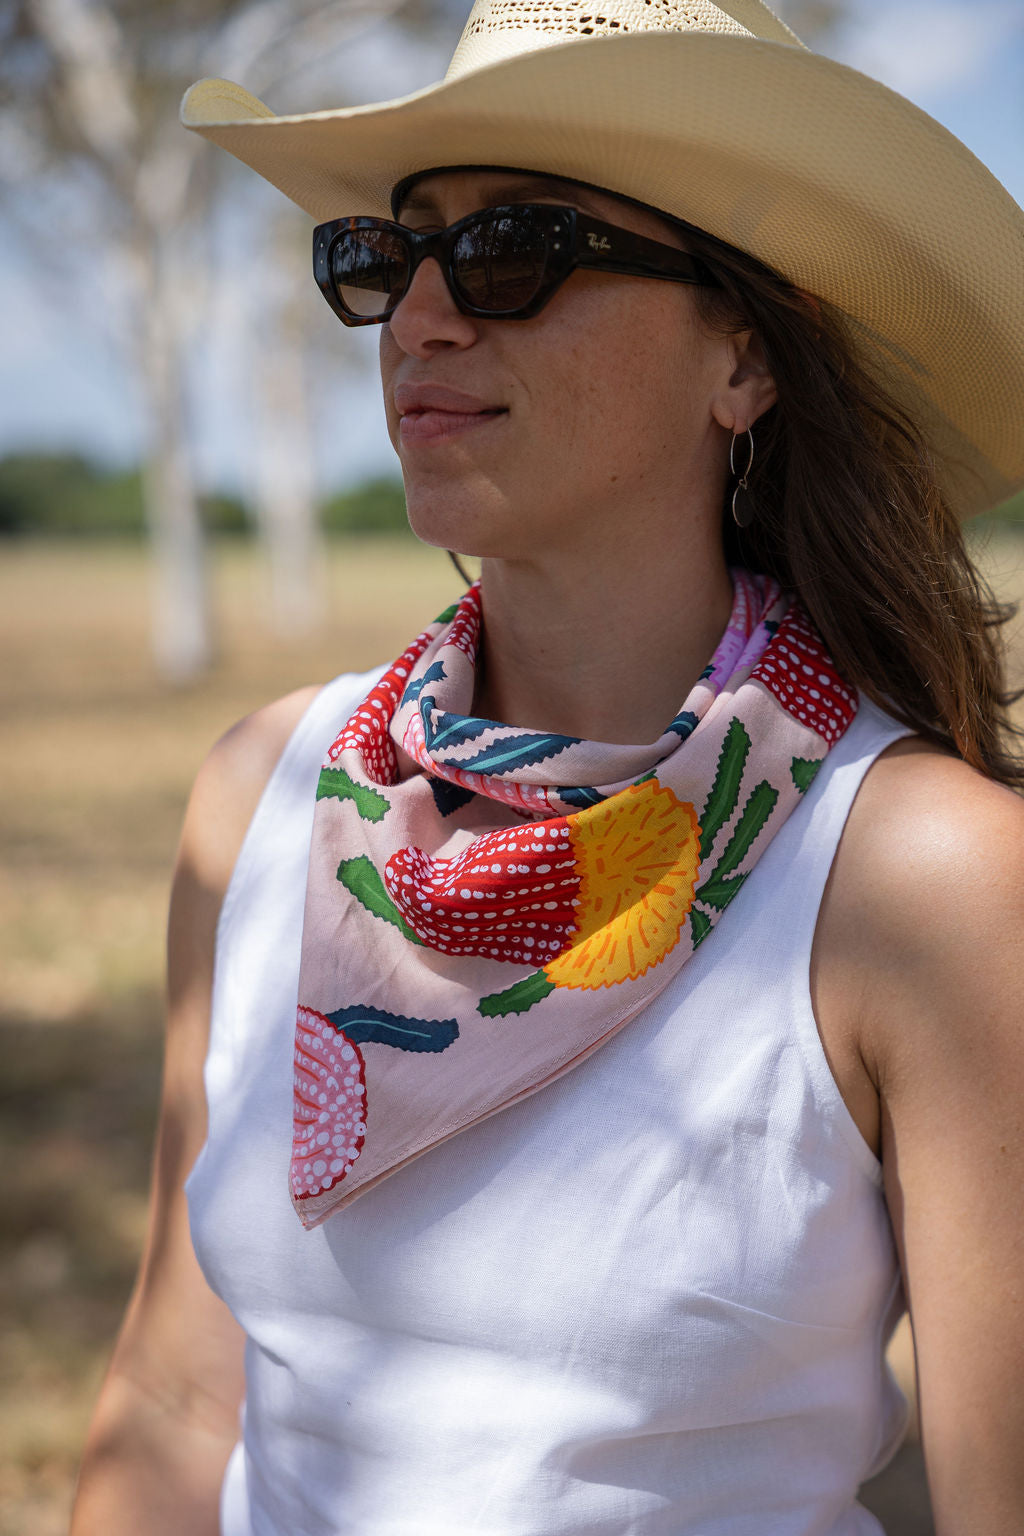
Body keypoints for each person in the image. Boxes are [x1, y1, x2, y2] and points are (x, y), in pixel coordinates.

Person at [72, 1, 1024, 1532]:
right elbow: (181, 1407)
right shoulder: (261, 792)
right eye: (390, 259)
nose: (424, 320)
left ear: (746, 357)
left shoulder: (924, 880)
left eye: (514, 250)